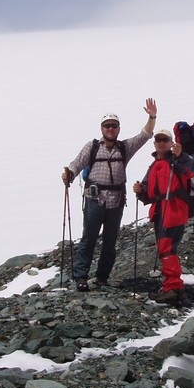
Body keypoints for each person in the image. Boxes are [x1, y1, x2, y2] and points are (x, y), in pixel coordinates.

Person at [62, 99, 158, 291]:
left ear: (118, 128)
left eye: (114, 126)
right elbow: (77, 163)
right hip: (94, 199)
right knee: (89, 237)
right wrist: (69, 174)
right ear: (102, 128)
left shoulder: (124, 148)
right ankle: (81, 277)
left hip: (116, 200)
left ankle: (102, 277)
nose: (111, 129)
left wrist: (152, 117)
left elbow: (145, 135)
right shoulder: (92, 147)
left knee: (110, 240)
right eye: (107, 126)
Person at [133, 128, 194, 305]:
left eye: (165, 140)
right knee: (166, 248)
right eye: (158, 140)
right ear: (154, 143)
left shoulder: (178, 161)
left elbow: (193, 170)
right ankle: (173, 286)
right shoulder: (154, 165)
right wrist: (140, 191)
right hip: (162, 211)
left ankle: (173, 287)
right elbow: (148, 192)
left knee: (167, 248)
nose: (161, 142)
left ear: (171, 143)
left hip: (174, 210)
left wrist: (181, 155)